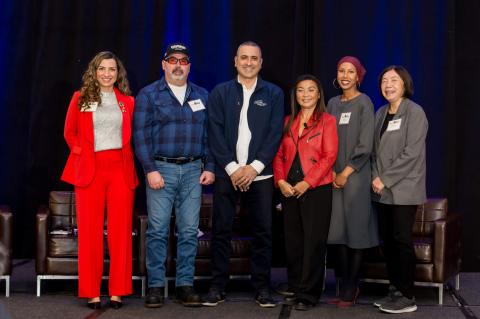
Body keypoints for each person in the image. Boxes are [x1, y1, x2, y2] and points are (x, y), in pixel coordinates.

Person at [133, 42, 215, 308]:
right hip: (161, 169)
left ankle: (184, 285)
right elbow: (141, 136)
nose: (178, 65)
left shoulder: (202, 95)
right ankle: (156, 286)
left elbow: (210, 136)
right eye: (173, 60)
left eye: (183, 60)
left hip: (193, 171)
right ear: (164, 64)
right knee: (157, 230)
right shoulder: (148, 95)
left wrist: (210, 166)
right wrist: (150, 169)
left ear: (189, 66)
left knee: (190, 231)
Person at [204, 41, 284, 308]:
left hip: (260, 176)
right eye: (244, 58)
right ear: (235, 61)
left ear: (261, 63)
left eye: (254, 58)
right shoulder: (220, 92)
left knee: (263, 232)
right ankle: (217, 286)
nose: (249, 62)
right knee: (221, 231)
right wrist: (233, 168)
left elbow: (275, 134)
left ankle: (262, 288)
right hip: (228, 174)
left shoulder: (273, 93)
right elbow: (214, 132)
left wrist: (253, 168)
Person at [61, 51, 138, 309]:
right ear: (94, 71)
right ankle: (91, 291)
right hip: (90, 171)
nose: (107, 73)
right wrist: (82, 153)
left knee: (120, 234)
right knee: (90, 234)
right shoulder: (80, 98)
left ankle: (117, 290)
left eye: (112, 69)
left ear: (118, 74)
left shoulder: (128, 101)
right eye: (102, 69)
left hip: (120, 170)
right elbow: (69, 132)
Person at [273, 74, 338, 311]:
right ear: (295, 95)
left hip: (316, 189)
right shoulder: (288, 121)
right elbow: (279, 155)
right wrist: (280, 181)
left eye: (311, 90)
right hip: (289, 189)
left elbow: (329, 156)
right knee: (293, 242)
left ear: (319, 94)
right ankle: (296, 286)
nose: (306, 94)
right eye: (301, 90)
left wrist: (307, 182)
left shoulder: (328, 121)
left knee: (313, 242)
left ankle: (309, 294)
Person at [371, 65, 428, 314]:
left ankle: (407, 295)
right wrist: (375, 178)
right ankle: (394, 290)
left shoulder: (415, 113)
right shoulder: (381, 112)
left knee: (402, 241)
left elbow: (411, 154)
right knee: (389, 243)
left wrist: (385, 178)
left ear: (404, 83)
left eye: (394, 80)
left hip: (404, 189)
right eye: (384, 80)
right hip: (382, 191)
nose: (388, 85)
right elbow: (374, 152)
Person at [326, 56, 379, 307]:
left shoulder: (364, 103)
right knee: (337, 232)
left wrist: (345, 172)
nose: (345, 75)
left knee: (356, 231)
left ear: (358, 76)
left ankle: (351, 286)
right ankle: (344, 282)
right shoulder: (332, 103)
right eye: (341, 71)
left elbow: (365, 143)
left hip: (355, 176)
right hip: (332, 177)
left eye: (351, 72)